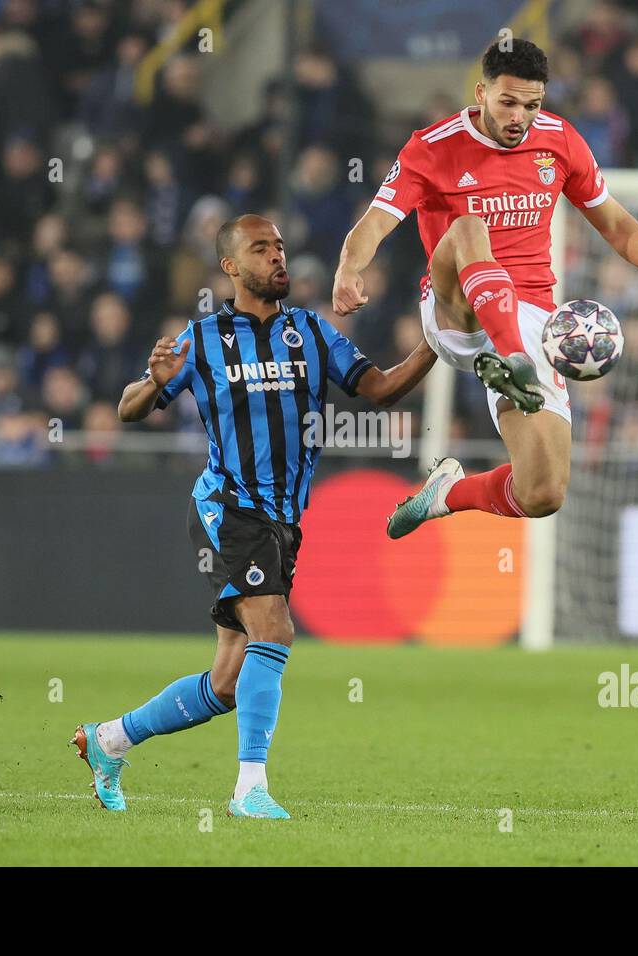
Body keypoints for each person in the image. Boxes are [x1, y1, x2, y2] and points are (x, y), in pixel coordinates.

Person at [73, 214, 437, 818]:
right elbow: (128, 408)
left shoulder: (313, 334)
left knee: (226, 683)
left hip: (282, 522)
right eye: (261, 248)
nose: (277, 257)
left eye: (280, 247)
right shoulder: (202, 339)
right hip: (228, 505)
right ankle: (250, 788)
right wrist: (152, 384)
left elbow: (383, 389)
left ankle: (109, 740)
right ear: (231, 267)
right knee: (275, 628)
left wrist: (437, 343)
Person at [330, 38, 638, 538]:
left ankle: (445, 493)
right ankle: (513, 362)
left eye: (531, 105)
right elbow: (376, 222)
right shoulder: (432, 146)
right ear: (481, 92)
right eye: (507, 102)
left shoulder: (560, 140)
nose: (519, 116)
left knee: (543, 492)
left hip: (534, 317)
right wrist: (348, 268)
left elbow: (617, 227)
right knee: (470, 228)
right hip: (456, 310)